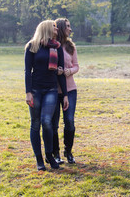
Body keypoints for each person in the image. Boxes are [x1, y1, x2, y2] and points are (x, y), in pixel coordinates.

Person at [24, 20, 69, 170]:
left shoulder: (57, 48)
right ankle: (39, 159)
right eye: (54, 27)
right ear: (46, 29)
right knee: (35, 124)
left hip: (51, 90)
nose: (57, 29)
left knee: (47, 122)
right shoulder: (32, 46)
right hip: (35, 90)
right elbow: (27, 71)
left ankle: (49, 154)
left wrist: (65, 95)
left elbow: (61, 73)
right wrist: (28, 92)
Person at [50, 18, 79, 164]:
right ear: (61, 28)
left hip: (70, 89)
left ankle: (68, 151)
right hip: (55, 90)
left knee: (69, 121)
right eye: (68, 26)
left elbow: (76, 66)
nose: (70, 29)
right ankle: (55, 153)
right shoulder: (52, 46)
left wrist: (68, 71)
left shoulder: (70, 46)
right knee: (54, 123)